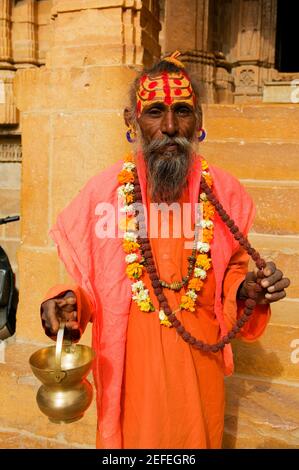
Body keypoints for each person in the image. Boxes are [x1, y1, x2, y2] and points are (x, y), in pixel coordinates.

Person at [40, 51, 290, 449]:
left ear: (200, 122)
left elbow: (233, 274)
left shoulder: (224, 194)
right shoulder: (102, 195)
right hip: (129, 376)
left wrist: (248, 290)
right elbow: (89, 285)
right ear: (131, 120)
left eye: (183, 112)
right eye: (155, 111)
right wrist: (66, 303)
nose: (170, 126)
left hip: (197, 374)